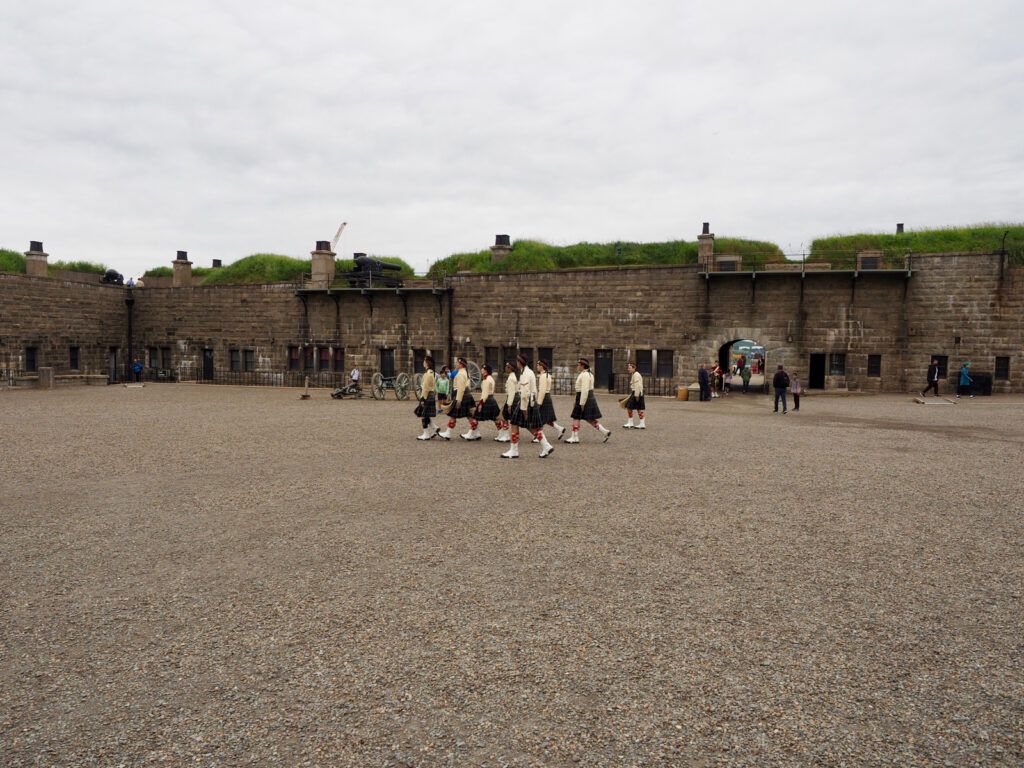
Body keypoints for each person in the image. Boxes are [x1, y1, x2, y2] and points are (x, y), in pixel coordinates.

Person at [502, 354, 554, 459]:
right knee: (530, 426)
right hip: (529, 402)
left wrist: (524, 409)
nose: (516, 363)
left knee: (515, 424)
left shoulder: (525, 374)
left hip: (526, 403)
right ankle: (546, 445)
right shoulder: (527, 372)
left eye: (517, 361)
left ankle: (514, 450)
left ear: (520, 362)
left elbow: (525, 393)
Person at [565, 358, 611, 443]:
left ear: (582, 365)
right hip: (585, 397)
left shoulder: (585, 375)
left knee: (576, 417)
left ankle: (574, 437)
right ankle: (605, 431)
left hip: (584, 397)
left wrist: (581, 403)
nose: (578, 366)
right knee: (589, 418)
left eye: (579, 365)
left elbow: (585, 390)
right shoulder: (587, 374)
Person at [437, 358, 475, 440]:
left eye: (457, 363)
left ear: (461, 365)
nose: (456, 364)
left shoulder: (461, 373)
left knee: (454, 415)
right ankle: (475, 432)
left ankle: (448, 433)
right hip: (465, 395)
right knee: (469, 415)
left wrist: (459, 400)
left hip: (461, 396)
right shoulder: (464, 372)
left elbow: (461, 388)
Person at [535, 360, 566, 441]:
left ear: (542, 366)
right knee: (546, 418)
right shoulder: (547, 375)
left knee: (540, 418)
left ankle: (538, 436)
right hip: (547, 397)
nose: (537, 366)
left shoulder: (543, 376)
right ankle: (560, 428)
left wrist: (539, 403)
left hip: (544, 398)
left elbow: (542, 390)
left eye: (538, 365)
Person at [473, 364, 502, 437]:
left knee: (475, 416)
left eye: (482, 369)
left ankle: (473, 433)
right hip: (491, 399)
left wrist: (481, 403)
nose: (481, 370)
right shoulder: (490, 378)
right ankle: (502, 434)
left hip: (486, 399)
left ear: (485, 371)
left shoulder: (486, 379)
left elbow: (484, 393)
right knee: (495, 418)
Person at [416, 356, 439, 440]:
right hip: (431, 395)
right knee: (426, 414)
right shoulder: (432, 373)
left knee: (423, 415)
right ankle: (435, 428)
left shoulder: (428, 374)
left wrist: (422, 399)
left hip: (427, 396)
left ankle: (426, 434)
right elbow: (435, 387)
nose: (423, 363)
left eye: (424, 361)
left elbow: (425, 388)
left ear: (427, 363)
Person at [495, 361, 517, 443]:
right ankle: (505, 435)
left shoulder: (511, 378)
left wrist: (509, 404)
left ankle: (506, 435)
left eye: (507, 367)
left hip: (510, 399)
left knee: (504, 417)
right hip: (510, 399)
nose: (505, 368)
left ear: (510, 368)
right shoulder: (512, 376)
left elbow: (511, 393)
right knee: (504, 417)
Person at [623, 361, 646, 429]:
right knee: (637, 408)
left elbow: (637, 385)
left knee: (630, 407)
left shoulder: (636, 375)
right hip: (637, 393)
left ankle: (632, 423)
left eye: (629, 368)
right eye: (628, 368)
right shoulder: (635, 374)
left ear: (634, 368)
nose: (628, 369)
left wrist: (636, 395)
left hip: (637, 393)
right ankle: (640, 423)